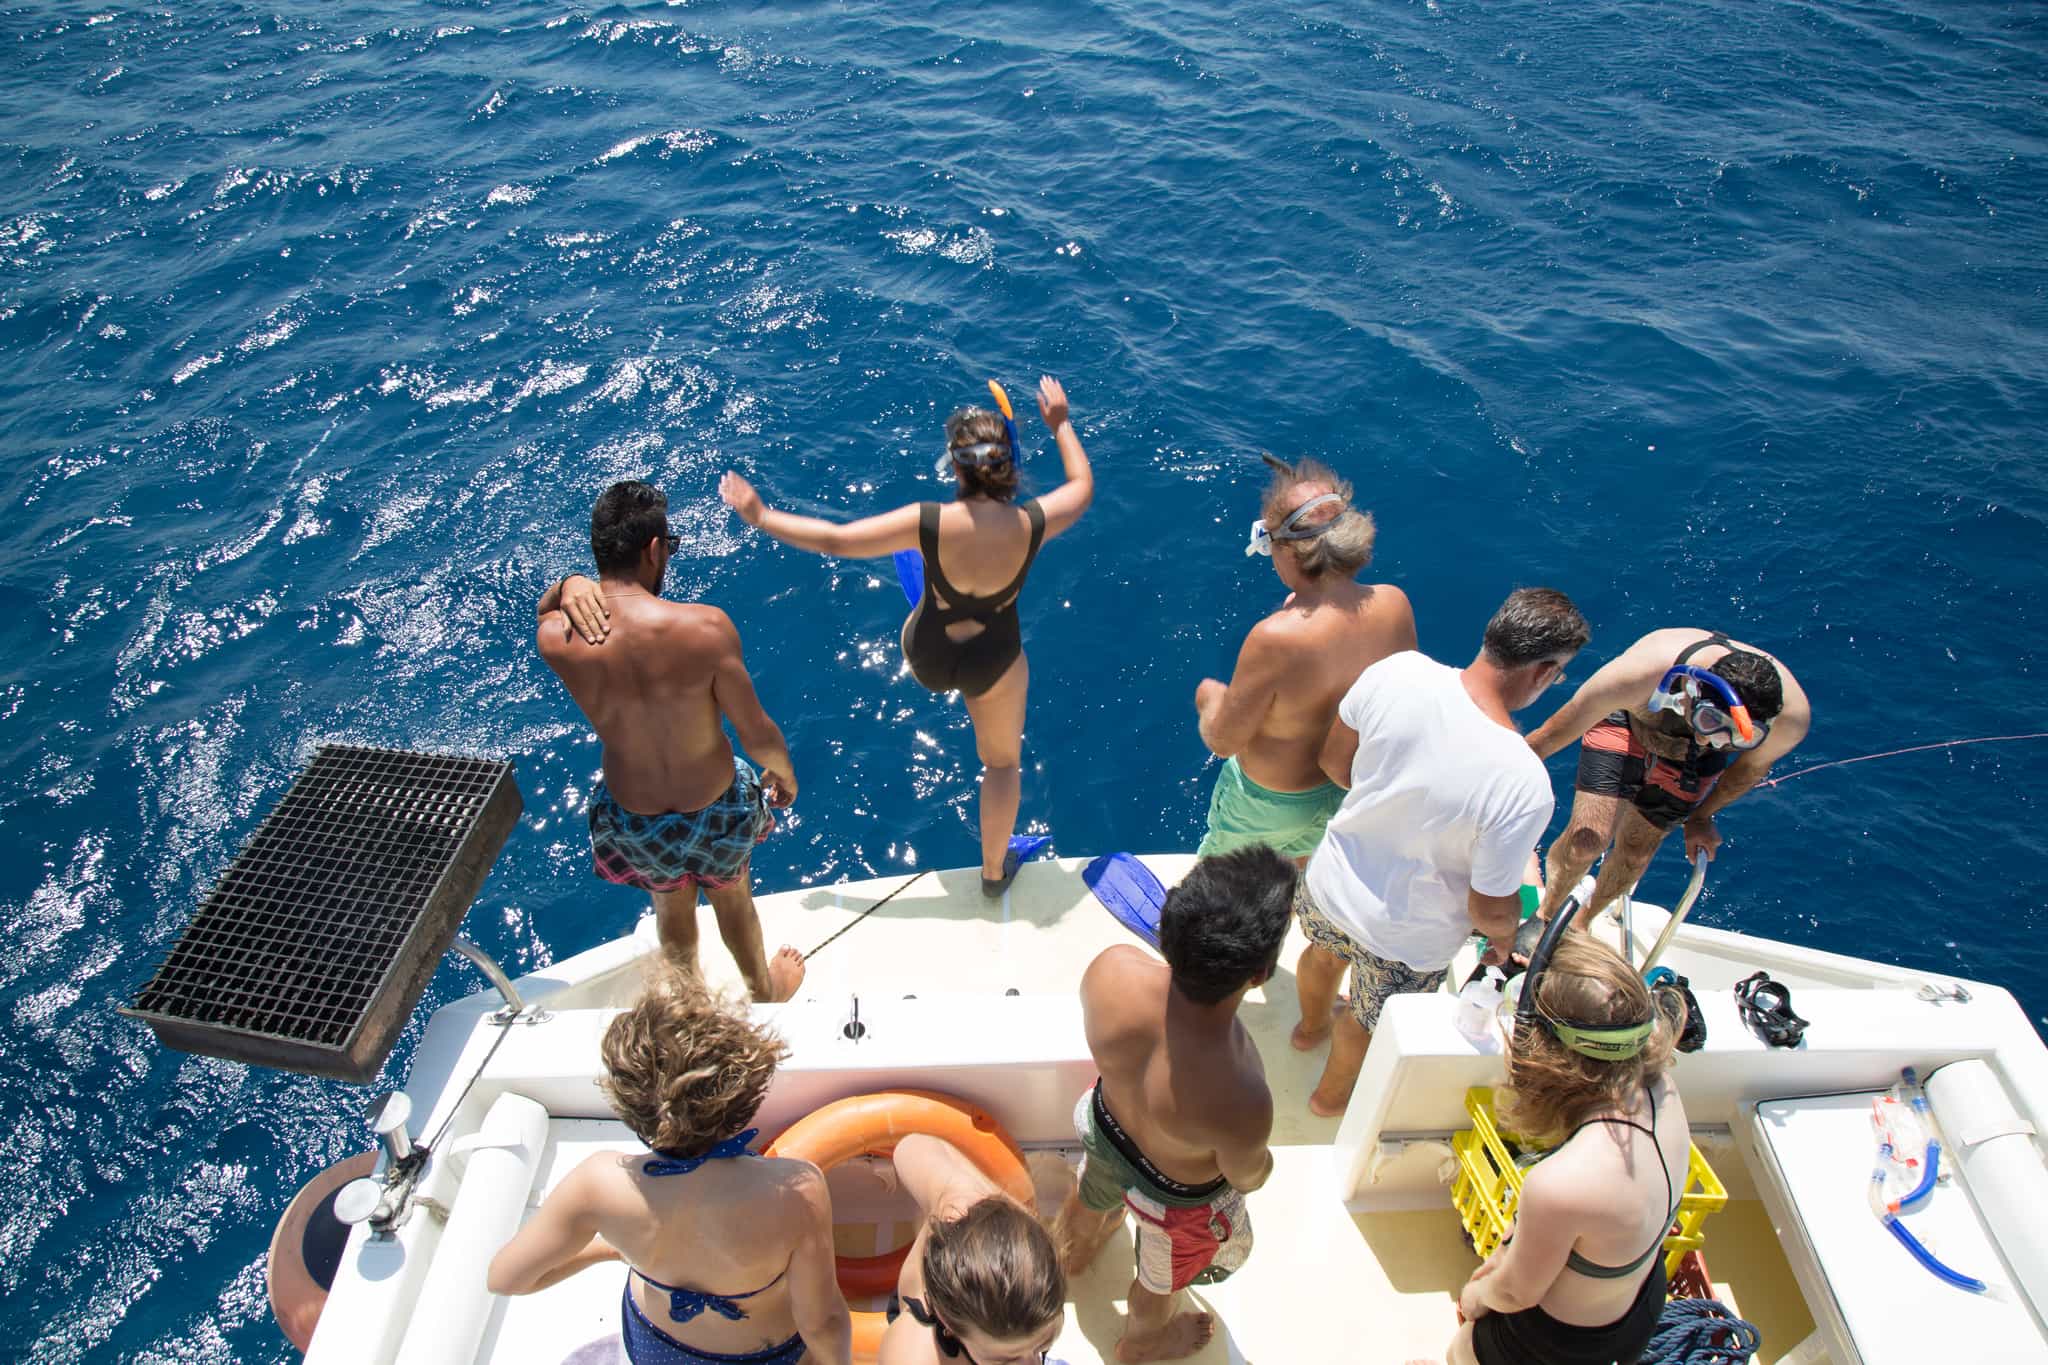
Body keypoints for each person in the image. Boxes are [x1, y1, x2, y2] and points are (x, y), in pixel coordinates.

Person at [717, 377, 1092, 896]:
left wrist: (759, 515)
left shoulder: (928, 521)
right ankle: (992, 871)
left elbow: (836, 539)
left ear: (956, 465)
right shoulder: (1033, 522)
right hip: (993, 662)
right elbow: (1081, 485)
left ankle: (935, 594)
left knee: (930, 592)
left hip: (929, 656)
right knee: (1002, 763)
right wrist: (1061, 424)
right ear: (1009, 463)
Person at [1293, 589, 1588, 1116]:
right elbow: (1489, 908)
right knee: (1365, 1021)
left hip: (1330, 884)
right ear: (1544, 672)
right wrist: (1503, 941)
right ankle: (1326, 1101)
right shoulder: (1523, 783)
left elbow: (1335, 764)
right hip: (1405, 937)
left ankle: (1306, 1029)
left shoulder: (1397, 672)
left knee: (1320, 955)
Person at [487, 967, 853, 1365]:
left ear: (629, 1103)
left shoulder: (597, 1183)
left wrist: (607, 1250)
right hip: (767, 1355)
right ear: (745, 1097)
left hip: (658, 1348)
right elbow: (823, 1323)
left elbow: (506, 1279)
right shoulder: (796, 1192)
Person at [539, 480, 805, 1002]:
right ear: (654, 549)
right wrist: (784, 772)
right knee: (733, 902)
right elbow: (756, 732)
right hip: (715, 807)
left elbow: (544, 612)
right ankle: (763, 991)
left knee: (671, 908)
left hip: (634, 818)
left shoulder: (559, 638)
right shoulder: (703, 629)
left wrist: (566, 585)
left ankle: (690, 1003)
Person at [1050, 846, 1291, 1363]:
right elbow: (1248, 1177)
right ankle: (1141, 1344)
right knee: (1157, 1286)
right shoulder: (1241, 1094)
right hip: (1173, 1200)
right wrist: (1264, 1160)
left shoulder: (1110, 970)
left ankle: (1074, 1255)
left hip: (1106, 1130)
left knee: (1091, 1199)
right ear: (1259, 974)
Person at [1418, 934, 1690, 1365]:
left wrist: (1474, 1297)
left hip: (1561, 1341)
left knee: (1462, 1351)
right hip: (1639, 1302)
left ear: (1549, 1053)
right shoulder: (1664, 1090)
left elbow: (1513, 1292)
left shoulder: (1559, 1185)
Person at [1193, 455, 1415, 864]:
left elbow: (1224, 742)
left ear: (1289, 554)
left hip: (1271, 803)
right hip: (1346, 792)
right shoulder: (1395, 605)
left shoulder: (1275, 637)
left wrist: (1209, 698)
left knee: (1224, 883)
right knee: (1302, 868)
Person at [1525, 628, 1810, 927]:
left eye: (1736, 737)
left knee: (1636, 854)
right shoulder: (1642, 673)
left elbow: (1747, 771)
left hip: (1691, 765)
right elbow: (1545, 740)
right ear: (1691, 691)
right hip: (1627, 724)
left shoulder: (1791, 720)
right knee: (1586, 840)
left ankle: (1581, 925)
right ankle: (1546, 916)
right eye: (1708, 721)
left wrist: (1701, 817)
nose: (1708, 741)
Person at [879, 1134, 1067, 1365]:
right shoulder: (911, 1353)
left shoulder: (969, 1197)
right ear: (948, 1325)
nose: (1033, 1364)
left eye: (1044, 1344)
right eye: (1004, 1361)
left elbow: (911, 1147)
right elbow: (908, 1146)